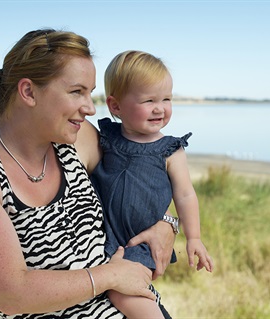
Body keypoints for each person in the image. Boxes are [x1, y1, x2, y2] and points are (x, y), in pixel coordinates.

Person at [0, 29, 176, 318]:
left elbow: (141, 178)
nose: (90, 108)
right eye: (76, 91)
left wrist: (167, 223)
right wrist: (110, 276)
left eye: (90, 93)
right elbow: (11, 294)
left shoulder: (76, 142)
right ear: (28, 92)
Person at [90, 50, 214, 318]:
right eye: (149, 100)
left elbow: (185, 194)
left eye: (167, 99)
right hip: (103, 237)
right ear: (115, 106)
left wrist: (194, 237)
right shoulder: (106, 138)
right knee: (107, 282)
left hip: (142, 243)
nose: (160, 108)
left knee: (123, 291)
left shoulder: (169, 150)